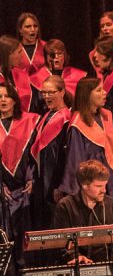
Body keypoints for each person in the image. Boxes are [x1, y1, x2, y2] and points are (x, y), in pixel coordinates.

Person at [59, 77, 113, 207]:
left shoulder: (106, 116)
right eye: (99, 90)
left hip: (112, 180)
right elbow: (75, 161)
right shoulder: (78, 123)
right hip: (92, 185)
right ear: (87, 95)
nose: (104, 93)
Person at [52, 160, 113, 264]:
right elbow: (61, 242)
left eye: (105, 185)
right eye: (99, 186)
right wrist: (77, 257)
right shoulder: (66, 206)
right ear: (84, 185)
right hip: (77, 269)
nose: (104, 190)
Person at [0, 82, 40, 270]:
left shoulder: (29, 121)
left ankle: (28, 274)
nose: (2, 100)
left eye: (6, 96)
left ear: (15, 100)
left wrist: (32, 177)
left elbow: (34, 153)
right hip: (4, 191)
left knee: (27, 232)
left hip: (26, 190)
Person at [31, 75, 73, 228]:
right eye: (44, 93)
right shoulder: (45, 117)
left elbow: (66, 157)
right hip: (42, 180)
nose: (46, 97)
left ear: (62, 92)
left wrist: (59, 184)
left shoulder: (67, 118)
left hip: (55, 181)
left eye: (51, 92)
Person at [29, 39, 87, 105]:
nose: (56, 58)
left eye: (59, 54)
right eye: (52, 55)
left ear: (64, 55)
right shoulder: (36, 79)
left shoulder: (77, 75)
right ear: (46, 57)